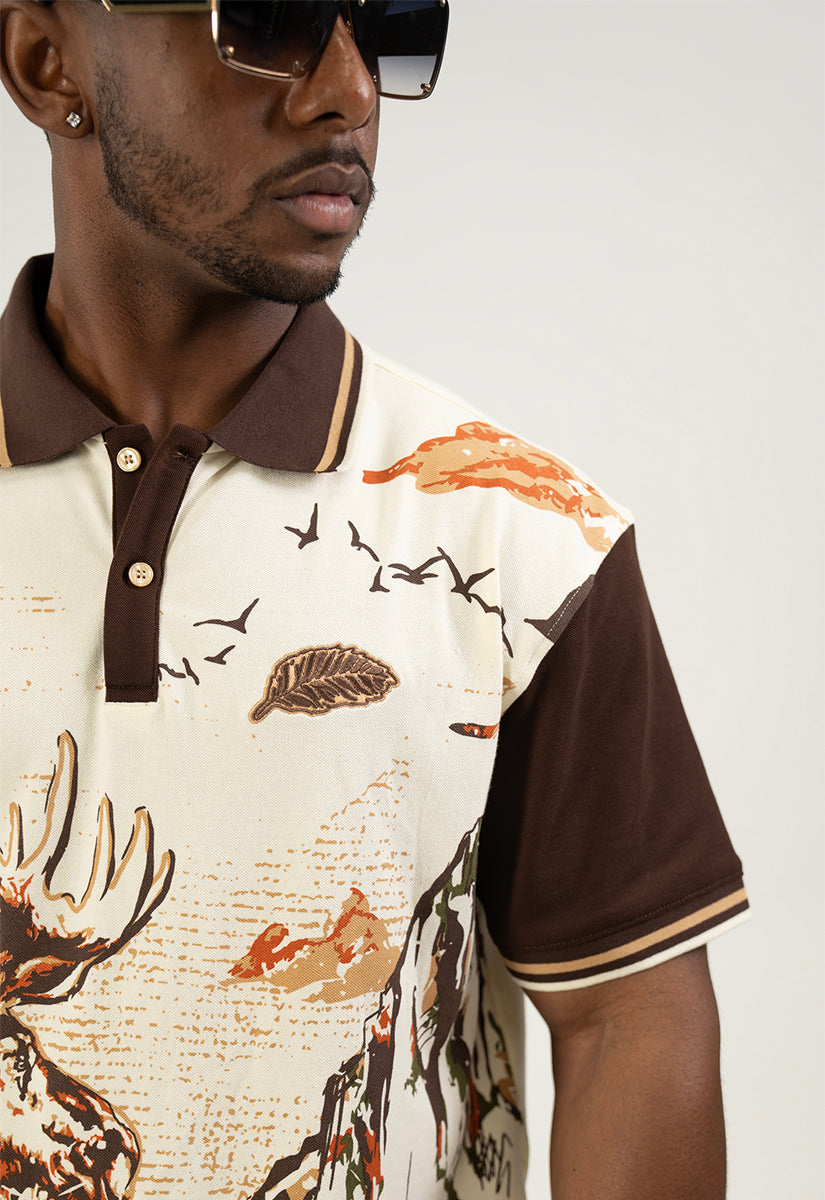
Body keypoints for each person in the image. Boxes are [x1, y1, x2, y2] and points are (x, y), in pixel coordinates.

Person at [0, 2, 749, 1197]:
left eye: (390, 24)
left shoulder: (530, 542)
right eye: (270, 17)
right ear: (48, 64)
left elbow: (627, 1028)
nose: (348, 91)